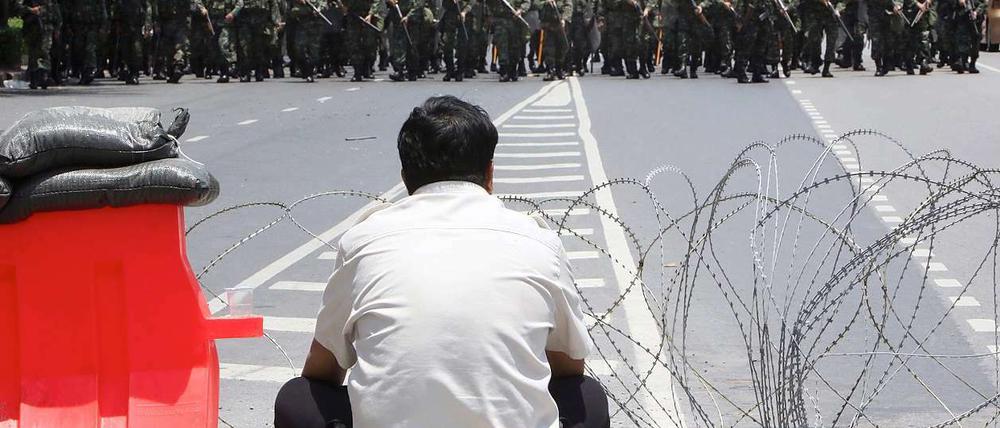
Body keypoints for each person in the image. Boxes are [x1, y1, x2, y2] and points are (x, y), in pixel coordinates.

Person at [273, 96, 610, 428]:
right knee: (587, 398)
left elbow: (322, 369)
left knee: (298, 399)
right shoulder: (538, 241)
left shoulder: (365, 239)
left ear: (405, 179)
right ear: (489, 174)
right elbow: (568, 367)